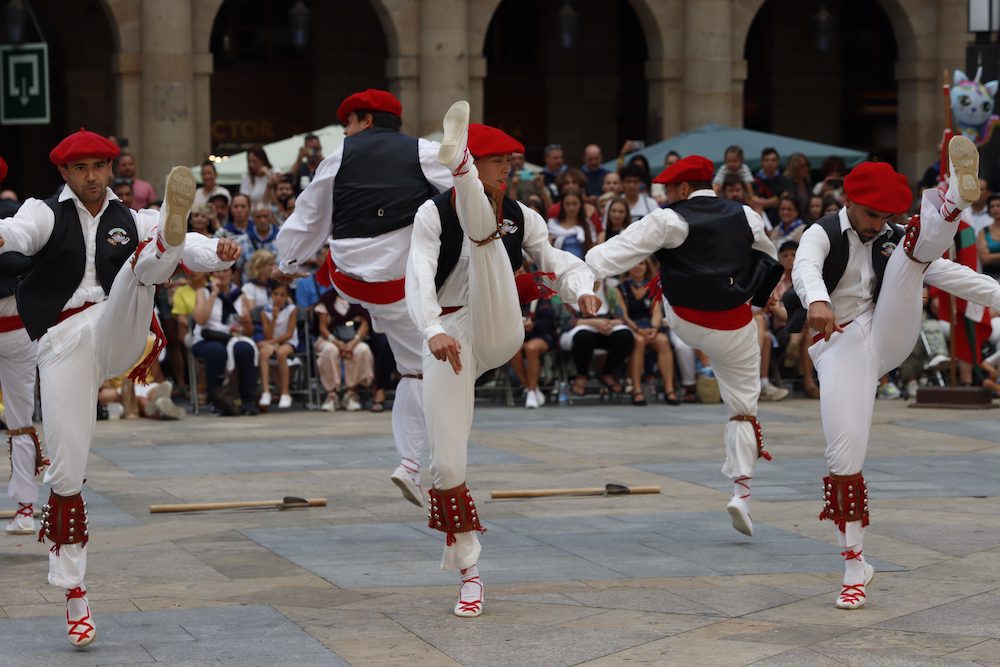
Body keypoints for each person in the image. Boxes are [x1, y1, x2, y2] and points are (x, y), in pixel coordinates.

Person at [0, 129, 237, 647]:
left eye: (100, 166)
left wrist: (214, 251)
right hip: (62, 341)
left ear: (112, 170)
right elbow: (16, 233)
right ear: (64, 173)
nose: (92, 176)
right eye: (81, 168)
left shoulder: (130, 217)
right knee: (67, 473)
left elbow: (200, 249)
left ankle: (162, 247)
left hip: (118, 324)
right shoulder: (44, 213)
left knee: (140, 271)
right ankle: (75, 594)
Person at [792, 137, 1000, 610]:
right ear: (850, 202)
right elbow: (805, 269)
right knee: (843, 457)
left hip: (887, 333)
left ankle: (950, 203)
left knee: (913, 256)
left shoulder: (893, 235)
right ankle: (855, 567)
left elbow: (956, 277)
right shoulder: (820, 232)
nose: (879, 224)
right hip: (838, 344)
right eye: (872, 215)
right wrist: (818, 300)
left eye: (887, 215)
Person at [406, 103, 598, 617]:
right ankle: (469, 573)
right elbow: (419, 278)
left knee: (489, 240)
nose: (508, 170)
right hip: (452, 334)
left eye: (509, 163)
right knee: (445, 463)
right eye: (497, 163)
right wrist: (433, 330)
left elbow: (554, 259)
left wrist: (579, 288)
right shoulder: (430, 214)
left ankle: (461, 170)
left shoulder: (521, 213)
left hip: (498, 319)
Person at [587, 154, 783, 539]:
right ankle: (741, 492)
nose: (663, 196)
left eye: (666, 190)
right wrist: (762, 298)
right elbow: (768, 257)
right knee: (744, 407)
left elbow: (610, 254)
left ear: (681, 189)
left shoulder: (668, 218)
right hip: (736, 324)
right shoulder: (746, 214)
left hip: (687, 320)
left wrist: (578, 279)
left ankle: (741, 495)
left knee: (666, 282)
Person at [274, 89, 452, 507]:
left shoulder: (337, 158)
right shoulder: (425, 151)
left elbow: (310, 216)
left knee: (411, 359)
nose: (346, 132)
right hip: (403, 282)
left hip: (350, 279)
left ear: (365, 120)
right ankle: (411, 463)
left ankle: (413, 461)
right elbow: (469, 197)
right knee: (418, 371)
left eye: (348, 124)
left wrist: (288, 261)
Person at [192, 267, 257, 415]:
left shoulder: (240, 295)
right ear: (211, 274)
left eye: (225, 270)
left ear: (232, 273)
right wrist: (214, 294)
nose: (221, 274)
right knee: (216, 351)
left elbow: (249, 331)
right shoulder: (203, 292)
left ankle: (248, 400)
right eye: (217, 271)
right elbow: (200, 320)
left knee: (245, 349)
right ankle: (216, 400)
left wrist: (246, 323)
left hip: (232, 337)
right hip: (206, 338)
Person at [619, 259, 679, 405]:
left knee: (663, 341)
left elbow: (657, 312)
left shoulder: (652, 286)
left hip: (651, 326)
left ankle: (669, 390)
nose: (638, 267)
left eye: (641, 263)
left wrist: (653, 329)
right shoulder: (620, 288)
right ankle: (637, 390)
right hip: (632, 326)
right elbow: (623, 314)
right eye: (634, 263)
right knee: (638, 341)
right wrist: (638, 330)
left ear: (646, 267)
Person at [313, 287, 374, 412]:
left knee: (362, 350)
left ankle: (351, 393)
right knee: (329, 350)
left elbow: (365, 324)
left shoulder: (357, 297)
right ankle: (332, 394)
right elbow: (322, 328)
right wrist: (338, 343)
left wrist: (353, 343)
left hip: (353, 339)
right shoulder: (327, 299)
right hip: (330, 339)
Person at [257, 283, 298, 409]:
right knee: (263, 353)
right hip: (272, 342)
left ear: (286, 296)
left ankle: (285, 393)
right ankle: (266, 392)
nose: (278, 298)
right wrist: (274, 319)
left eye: (282, 295)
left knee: (281, 353)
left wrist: (269, 343)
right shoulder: (265, 312)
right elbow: (268, 336)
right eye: (275, 294)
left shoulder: (292, 309)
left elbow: (289, 333)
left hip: (288, 342)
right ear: (271, 295)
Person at [547, 189, 593, 259]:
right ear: (562, 205)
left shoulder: (587, 225)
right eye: (568, 204)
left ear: (580, 204)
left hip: (582, 266)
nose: (571, 208)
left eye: (574, 204)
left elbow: (593, 250)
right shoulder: (552, 225)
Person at [753, 147, 790, 228]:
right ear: (762, 162)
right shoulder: (754, 181)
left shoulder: (785, 180)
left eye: (773, 160)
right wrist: (774, 200)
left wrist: (762, 202)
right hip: (760, 221)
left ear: (777, 162)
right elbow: (753, 202)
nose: (770, 163)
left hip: (781, 220)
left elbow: (784, 200)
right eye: (767, 160)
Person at [977, 194, 1000, 279]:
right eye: (992, 206)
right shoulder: (983, 231)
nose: (995, 209)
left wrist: (992, 256)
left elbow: (988, 257)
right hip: (990, 278)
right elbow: (985, 259)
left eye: (998, 206)